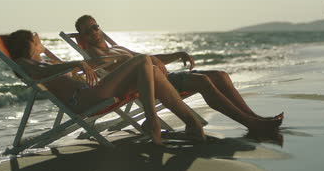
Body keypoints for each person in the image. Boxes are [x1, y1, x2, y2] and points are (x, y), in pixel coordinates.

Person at [74, 15, 283, 133]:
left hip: (163, 76)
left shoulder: (116, 47)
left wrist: (175, 54)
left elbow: (148, 57)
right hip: (153, 85)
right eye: (87, 31)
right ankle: (250, 124)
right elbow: (108, 65)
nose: (94, 32)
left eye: (95, 27)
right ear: (82, 38)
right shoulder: (94, 54)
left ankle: (254, 117)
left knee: (220, 75)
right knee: (202, 81)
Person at [6, 29, 207, 145]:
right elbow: (40, 72)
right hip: (84, 99)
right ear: (28, 44)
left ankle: (193, 126)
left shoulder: (46, 62)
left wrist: (108, 60)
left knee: (151, 71)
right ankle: (153, 121)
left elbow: (75, 71)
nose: (40, 41)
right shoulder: (25, 62)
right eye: (36, 39)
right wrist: (74, 64)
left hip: (93, 90)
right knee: (143, 60)